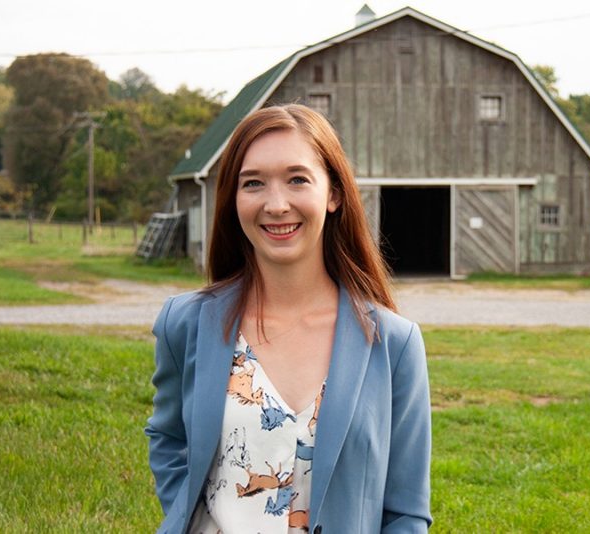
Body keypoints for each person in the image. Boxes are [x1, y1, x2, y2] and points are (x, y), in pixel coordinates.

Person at [145, 104, 432, 534]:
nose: (276, 204)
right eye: (253, 183)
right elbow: (169, 440)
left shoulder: (393, 343)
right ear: (233, 198)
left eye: (297, 179)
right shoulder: (185, 323)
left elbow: (406, 511)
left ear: (333, 193)